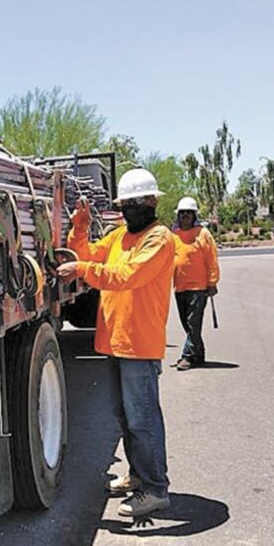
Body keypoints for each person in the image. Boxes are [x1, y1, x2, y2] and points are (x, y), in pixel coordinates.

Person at [57, 168, 176, 517]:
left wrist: (82, 271)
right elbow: (88, 253)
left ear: (152, 203)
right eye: (127, 204)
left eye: (137, 203)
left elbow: (128, 276)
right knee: (123, 416)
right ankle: (139, 476)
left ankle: (156, 489)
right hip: (114, 341)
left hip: (139, 343)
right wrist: (79, 226)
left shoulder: (159, 239)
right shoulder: (119, 236)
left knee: (143, 419)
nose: (131, 210)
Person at [171, 196, 220, 371]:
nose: (185, 216)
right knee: (186, 323)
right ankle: (198, 354)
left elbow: (211, 259)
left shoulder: (203, 234)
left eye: (188, 213)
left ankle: (187, 356)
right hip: (180, 287)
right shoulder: (174, 236)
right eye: (182, 213)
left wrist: (212, 282)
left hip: (199, 287)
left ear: (194, 215)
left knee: (193, 322)